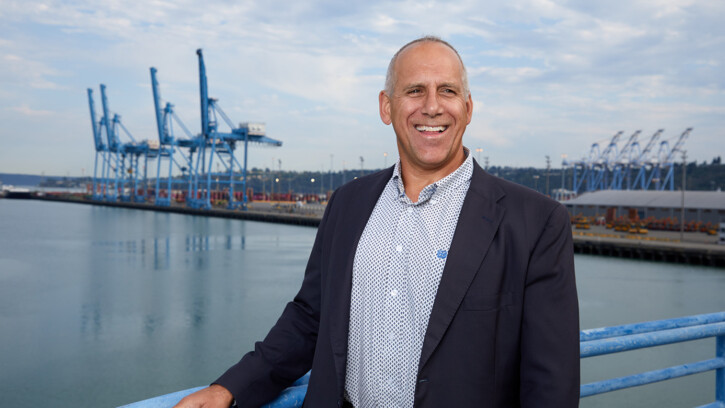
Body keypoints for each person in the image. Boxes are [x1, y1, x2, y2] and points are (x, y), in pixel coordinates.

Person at [175, 36, 579, 408]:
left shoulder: (536, 222)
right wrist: (229, 387)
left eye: (448, 91)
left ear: (468, 109)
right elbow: (310, 318)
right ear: (387, 107)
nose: (433, 106)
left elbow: (551, 382)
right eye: (415, 90)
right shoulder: (347, 204)